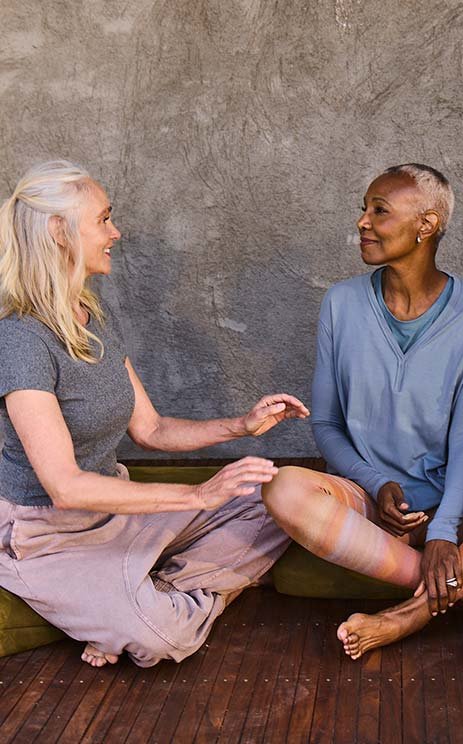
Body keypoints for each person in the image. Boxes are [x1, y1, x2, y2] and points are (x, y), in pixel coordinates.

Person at [261, 163, 463, 659]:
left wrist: (445, 527)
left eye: (379, 211)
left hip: (457, 499)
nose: (363, 222)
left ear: (426, 225)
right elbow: (325, 423)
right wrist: (373, 481)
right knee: (281, 487)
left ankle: (410, 613)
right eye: (363, 210)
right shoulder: (340, 304)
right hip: (369, 503)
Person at [0, 160, 309, 668]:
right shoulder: (20, 340)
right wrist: (196, 494)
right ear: (58, 231)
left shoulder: (90, 315)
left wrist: (240, 426)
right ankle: (151, 602)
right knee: (166, 637)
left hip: (116, 513)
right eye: (103, 219)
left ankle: (148, 589)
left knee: (272, 500)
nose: (115, 232)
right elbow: (66, 487)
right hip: (48, 535)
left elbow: (151, 428)